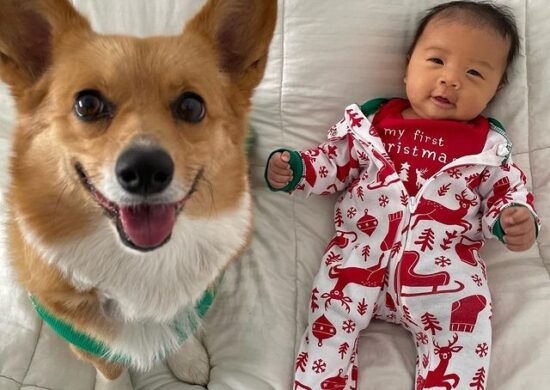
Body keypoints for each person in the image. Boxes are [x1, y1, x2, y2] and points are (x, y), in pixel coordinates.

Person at [265, 1, 541, 389]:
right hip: (357, 261)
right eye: (436, 61)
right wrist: (297, 169)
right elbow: (334, 163)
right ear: (408, 63)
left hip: (445, 277)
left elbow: (506, 193)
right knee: (329, 325)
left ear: (498, 89)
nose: (451, 80)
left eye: (474, 72)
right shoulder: (372, 125)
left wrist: (514, 218)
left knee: (463, 336)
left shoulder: (488, 149)